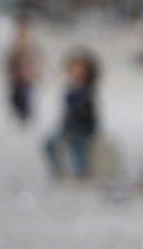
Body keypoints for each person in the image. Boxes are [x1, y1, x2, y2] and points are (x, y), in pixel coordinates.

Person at [43, 48, 100, 179]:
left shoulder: (88, 89)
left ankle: (82, 172)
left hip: (83, 128)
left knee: (78, 146)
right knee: (50, 143)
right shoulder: (72, 86)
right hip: (69, 127)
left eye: (80, 67)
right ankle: (58, 170)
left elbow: (86, 114)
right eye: (75, 67)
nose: (77, 70)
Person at [4, 14, 38, 124]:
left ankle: (25, 120)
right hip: (16, 78)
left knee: (24, 101)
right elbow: (10, 60)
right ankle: (20, 120)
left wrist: (34, 73)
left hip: (26, 79)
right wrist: (9, 72)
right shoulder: (15, 45)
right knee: (15, 99)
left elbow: (35, 61)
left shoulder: (30, 45)